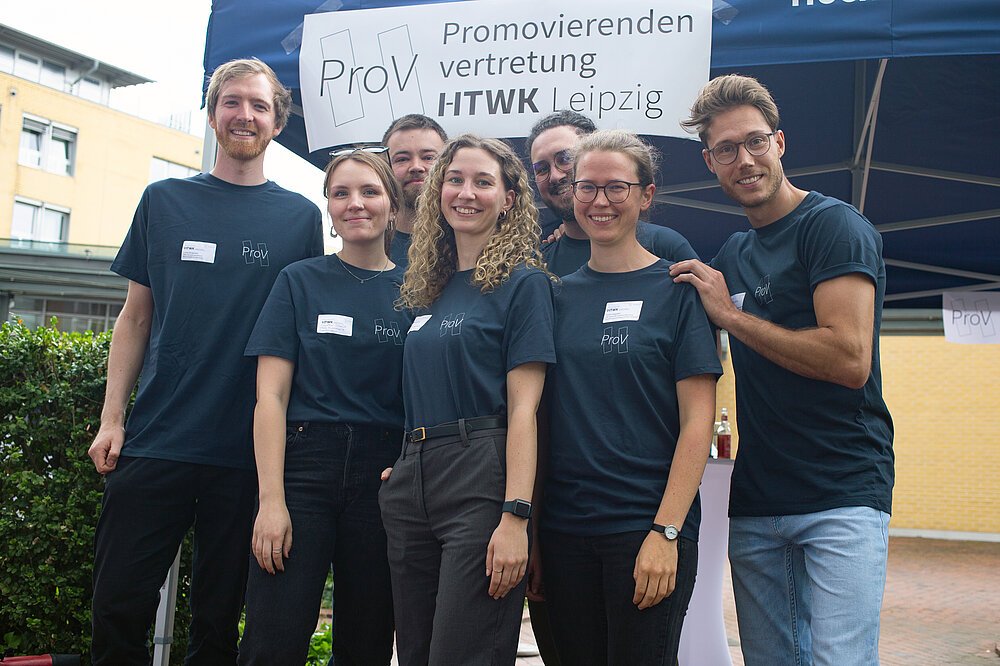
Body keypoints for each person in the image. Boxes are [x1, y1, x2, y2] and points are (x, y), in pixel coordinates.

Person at [87, 58, 323, 665]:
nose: (245, 115)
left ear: (278, 122)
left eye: (259, 105)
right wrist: (113, 419)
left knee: (217, 625)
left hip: (246, 454)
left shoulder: (301, 219)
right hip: (156, 438)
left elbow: (302, 340)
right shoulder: (163, 201)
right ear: (212, 113)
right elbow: (134, 318)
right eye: (232, 102)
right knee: (117, 608)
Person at [671, 74, 894, 666]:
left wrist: (731, 317)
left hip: (841, 494)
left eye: (755, 142)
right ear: (710, 163)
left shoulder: (833, 226)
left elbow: (849, 359)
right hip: (758, 502)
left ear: (780, 142)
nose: (744, 160)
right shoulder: (734, 255)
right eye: (726, 150)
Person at [538, 129, 720, 665]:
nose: (600, 201)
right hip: (565, 531)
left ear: (645, 195)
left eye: (617, 187)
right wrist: (535, 533)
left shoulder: (678, 292)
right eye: (587, 187)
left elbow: (697, 422)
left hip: (645, 527)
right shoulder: (554, 295)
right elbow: (541, 420)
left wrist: (667, 530)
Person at [379, 134, 555, 666]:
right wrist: (406, 463)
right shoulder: (427, 287)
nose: (466, 193)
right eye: (454, 180)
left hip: (481, 475)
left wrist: (516, 516)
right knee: (413, 652)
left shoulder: (524, 284)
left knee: (462, 652)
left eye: (483, 182)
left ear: (509, 199)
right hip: (413, 477)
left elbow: (525, 411)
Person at [237, 150, 410, 664]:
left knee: (367, 645)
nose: (355, 203)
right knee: (272, 640)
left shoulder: (419, 290)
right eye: (341, 193)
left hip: (383, 476)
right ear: (329, 209)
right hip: (303, 470)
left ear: (392, 205)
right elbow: (270, 397)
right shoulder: (298, 280)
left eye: (369, 191)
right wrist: (271, 501)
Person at [526, 110, 698, 277]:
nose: (555, 176)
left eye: (565, 158)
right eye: (541, 169)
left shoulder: (664, 246)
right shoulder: (536, 266)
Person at [383, 114, 448, 268]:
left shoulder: (465, 244)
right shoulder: (370, 246)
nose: (416, 167)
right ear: (384, 168)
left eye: (429, 157)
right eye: (402, 159)